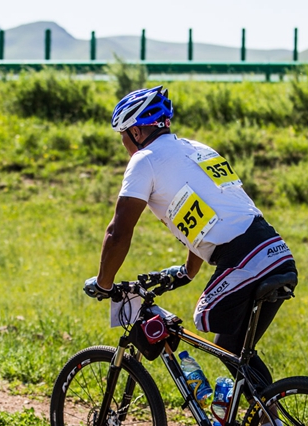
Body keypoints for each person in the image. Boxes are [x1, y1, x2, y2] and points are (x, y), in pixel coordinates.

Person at [84, 85, 297, 385]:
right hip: (276, 252)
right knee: (232, 349)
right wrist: (187, 271)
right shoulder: (199, 149)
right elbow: (202, 219)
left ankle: (236, 411)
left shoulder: (145, 160)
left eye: (124, 138)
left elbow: (118, 232)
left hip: (244, 258)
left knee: (203, 316)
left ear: (136, 132)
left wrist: (104, 284)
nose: (125, 147)